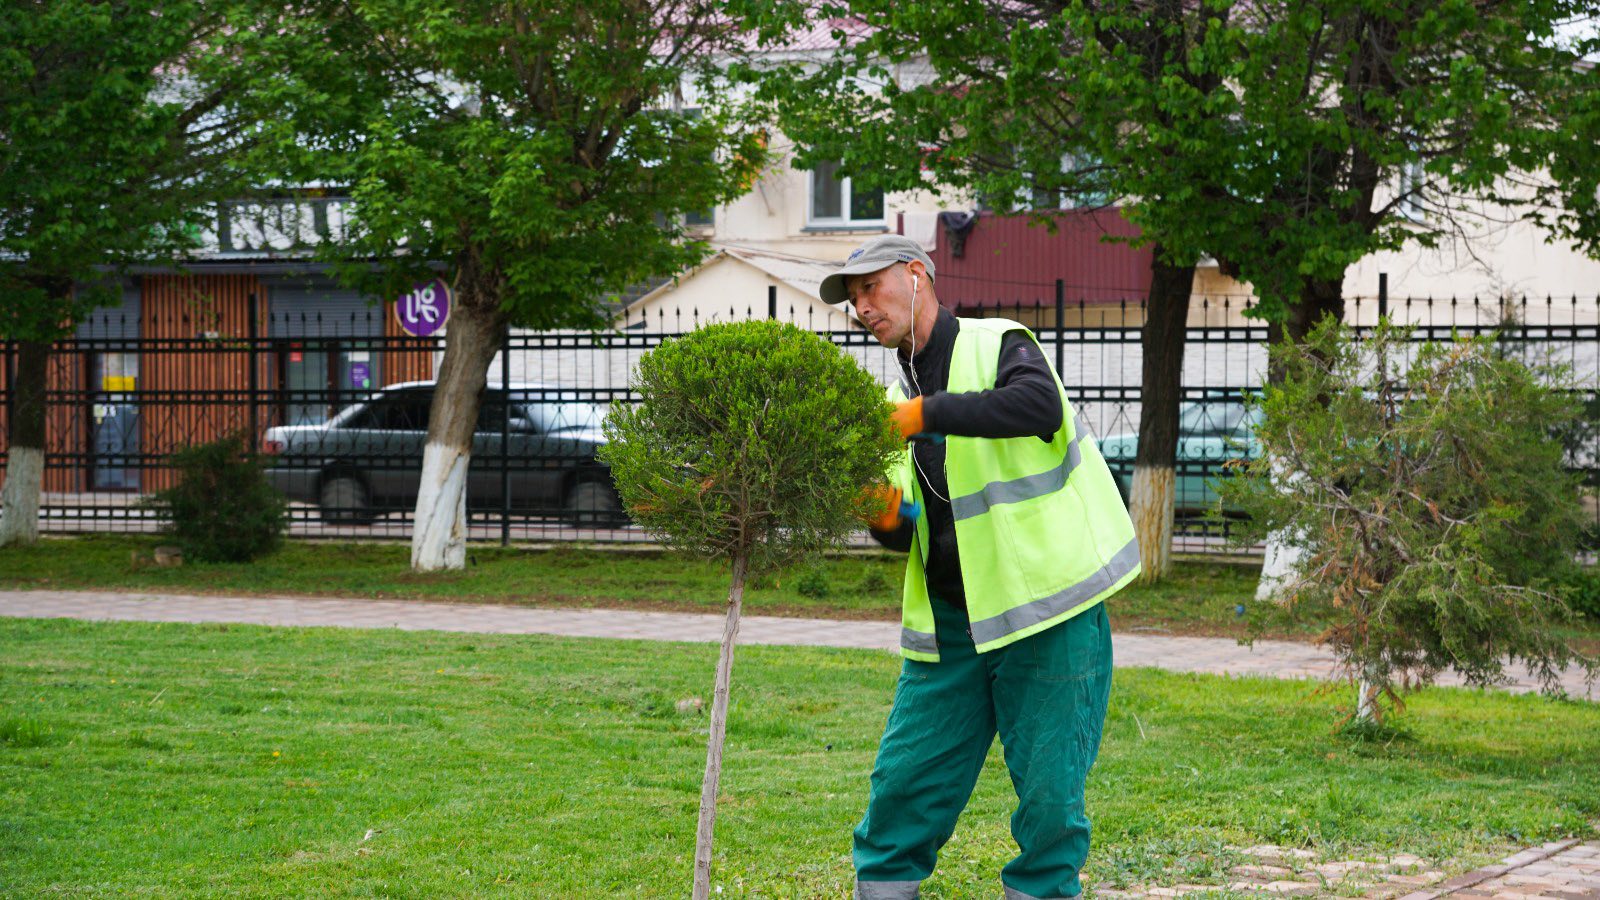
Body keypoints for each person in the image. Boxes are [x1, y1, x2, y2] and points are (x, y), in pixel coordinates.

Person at [819, 234, 1141, 900]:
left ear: (915, 275)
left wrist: (925, 414)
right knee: (905, 783)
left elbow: (1037, 407)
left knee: (1050, 798)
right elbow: (915, 526)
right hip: (952, 627)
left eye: (870, 289)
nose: (862, 309)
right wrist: (882, 517)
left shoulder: (999, 343)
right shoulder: (894, 402)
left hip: (1047, 612)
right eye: (852, 301)